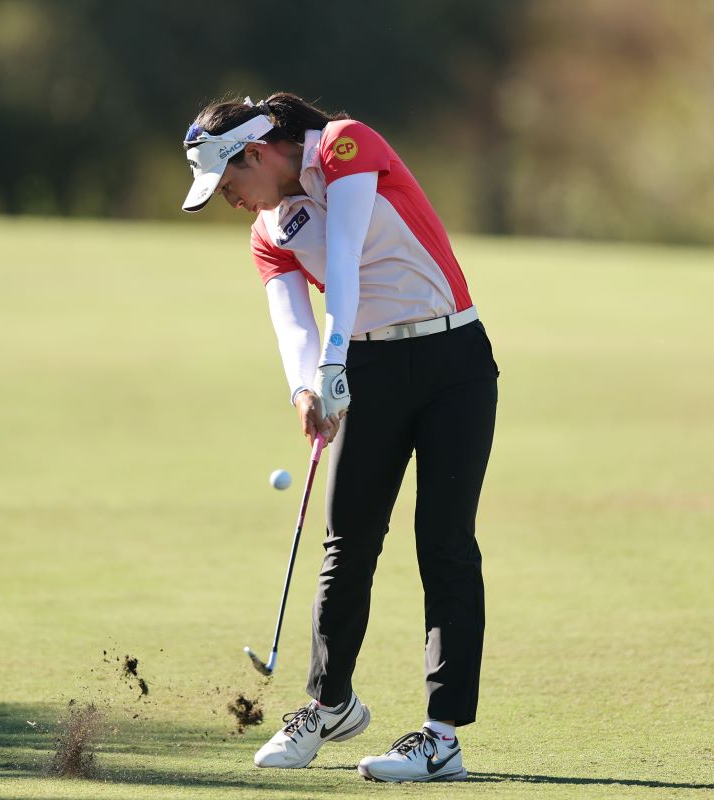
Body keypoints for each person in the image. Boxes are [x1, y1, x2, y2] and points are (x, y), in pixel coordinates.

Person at [181, 92, 499, 783]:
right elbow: (291, 322)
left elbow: (348, 258)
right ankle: (330, 703)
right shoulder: (270, 231)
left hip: (454, 363)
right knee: (347, 539)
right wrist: (306, 387)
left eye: (230, 182)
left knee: (443, 544)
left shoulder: (346, 146)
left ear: (259, 153)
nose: (230, 199)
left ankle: (442, 736)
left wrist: (331, 367)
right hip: (367, 367)